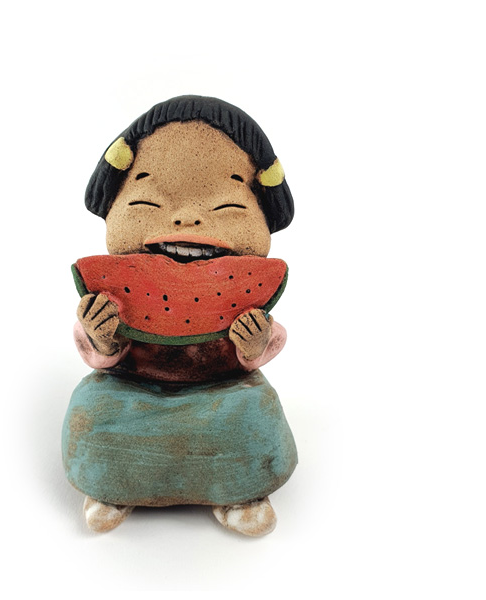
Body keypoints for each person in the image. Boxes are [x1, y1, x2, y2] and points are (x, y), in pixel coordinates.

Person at [63, 96, 297, 536]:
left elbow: (258, 352)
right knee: (91, 415)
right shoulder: (113, 289)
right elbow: (103, 354)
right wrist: (102, 337)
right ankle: (112, 489)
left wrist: (253, 345)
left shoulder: (249, 290)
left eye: (228, 207)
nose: (186, 218)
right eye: (147, 202)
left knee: (253, 415)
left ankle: (240, 494)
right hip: (129, 390)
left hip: (223, 391)